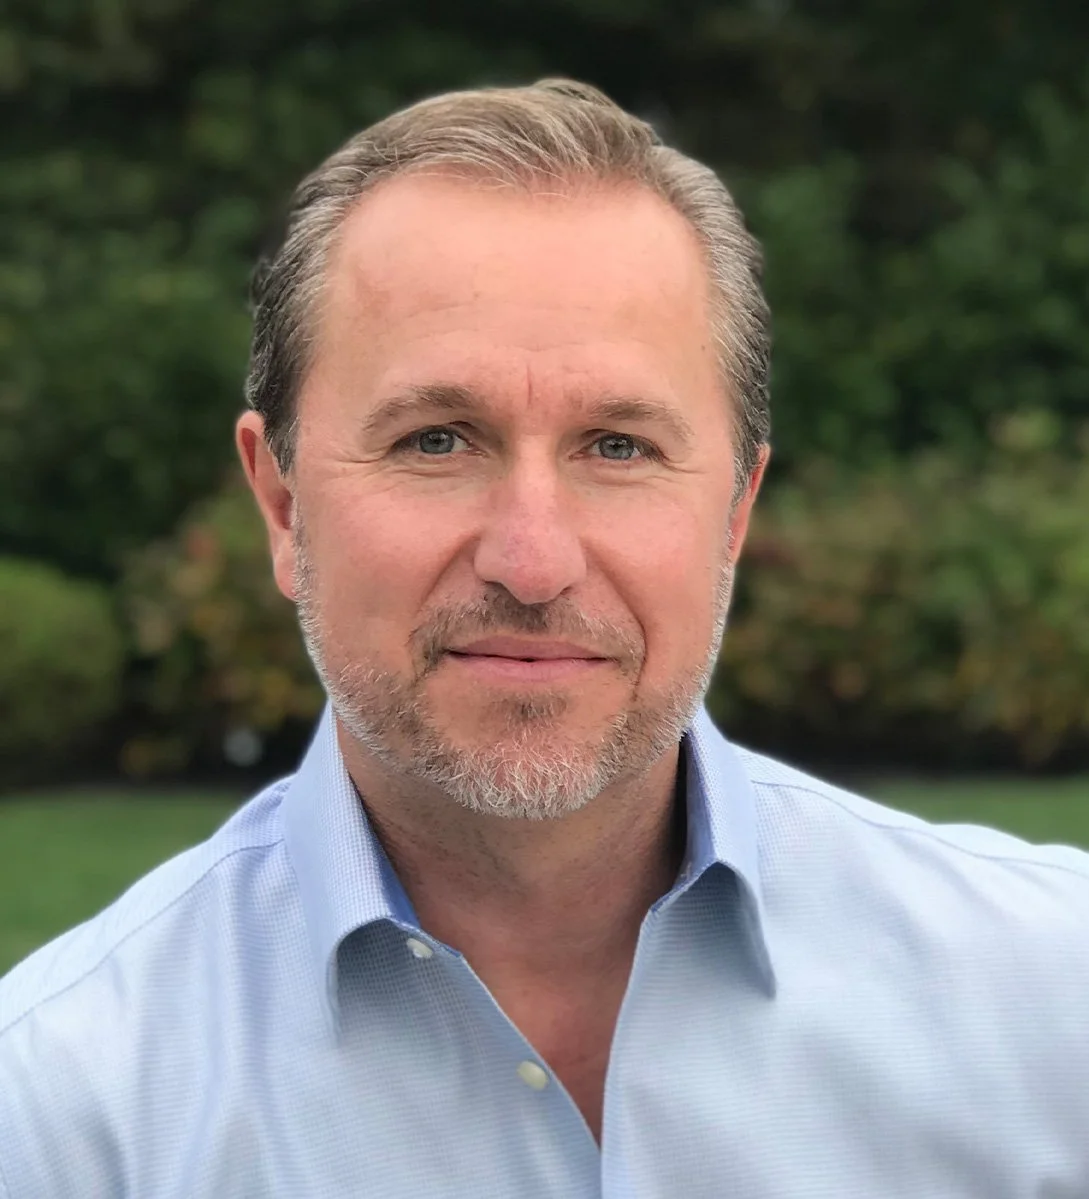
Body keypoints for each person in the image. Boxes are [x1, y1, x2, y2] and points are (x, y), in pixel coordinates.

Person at [1, 78, 1087, 1198]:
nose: (532, 558)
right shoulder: (62, 1112)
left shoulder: (1057, 1001)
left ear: (735, 511)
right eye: (435, 440)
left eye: (617, 446)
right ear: (281, 505)